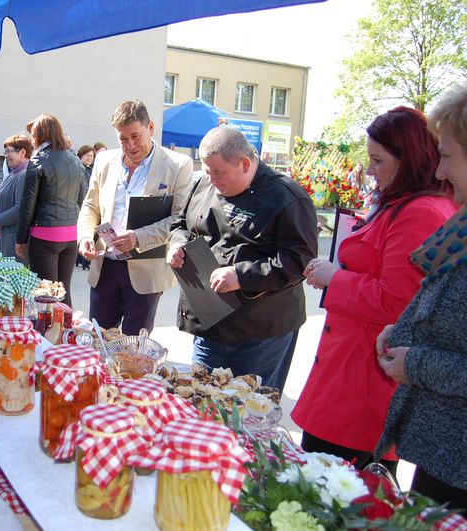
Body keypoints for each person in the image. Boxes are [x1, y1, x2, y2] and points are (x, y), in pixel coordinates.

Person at [292, 107, 456, 470]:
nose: (368, 170)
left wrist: (337, 278)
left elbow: (399, 301)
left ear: (409, 160)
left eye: (377, 160)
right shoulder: (405, 203)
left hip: (362, 387)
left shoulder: (420, 212)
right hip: (352, 376)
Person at [167, 126, 317, 390]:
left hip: (260, 332)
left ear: (245, 164)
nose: (211, 179)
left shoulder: (287, 197)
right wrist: (176, 244)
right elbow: (180, 224)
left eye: (218, 172)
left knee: (246, 411)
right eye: (207, 170)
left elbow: (299, 261)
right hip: (209, 322)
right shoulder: (203, 184)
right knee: (202, 400)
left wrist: (241, 275)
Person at [374, 86, 467, 509]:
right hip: (443, 459)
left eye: (447, 155)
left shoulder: (429, 211)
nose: (440, 171)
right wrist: (405, 330)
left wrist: (416, 362)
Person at [79, 100, 192, 333]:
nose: (129, 145)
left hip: (146, 273)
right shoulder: (104, 161)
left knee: (133, 351)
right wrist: (84, 237)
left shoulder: (178, 165)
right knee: (98, 339)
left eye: (135, 136)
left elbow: (180, 220)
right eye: (122, 139)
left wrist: (138, 237)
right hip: (105, 267)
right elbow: (90, 206)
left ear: (150, 127)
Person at [17, 114, 87, 306]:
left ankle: (47, 336)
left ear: (41, 134)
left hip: (45, 234)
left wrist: (20, 239)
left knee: (45, 296)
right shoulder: (75, 161)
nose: (32, 138)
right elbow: (83, 199)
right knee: (64, 292)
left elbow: (27, 205)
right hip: (71, 234)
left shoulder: (38, 160)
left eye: (33, 134)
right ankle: (68, 333)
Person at [0, 134, 34, 260]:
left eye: (9, 151)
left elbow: (20, 209)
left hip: (16, 239)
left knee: (13, 275)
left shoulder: (24, 175)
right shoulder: (13, 174)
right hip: (7, 235)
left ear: (23, 152)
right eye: (5, 151)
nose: (6, 155)